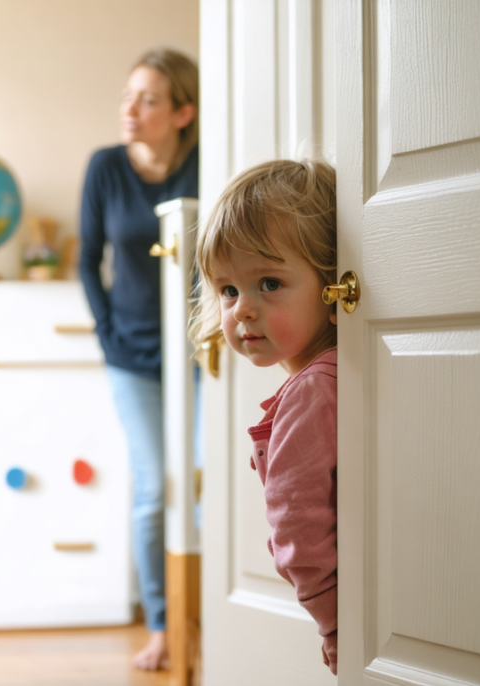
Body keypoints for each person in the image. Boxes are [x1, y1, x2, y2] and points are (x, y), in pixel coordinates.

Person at [190, 158, 339, 674]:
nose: (241, 310)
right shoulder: (338, 373)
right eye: (228, 290)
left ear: (333, 283)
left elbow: (298, 529)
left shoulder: (312, 391)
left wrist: (335, 622)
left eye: (269, 283)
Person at [78, 48, 199, 672]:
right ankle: (163, 625)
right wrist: (106, 336)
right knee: (156, 490)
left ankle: (210, 617)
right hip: (132, 358)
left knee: (210, 487)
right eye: (129, 95)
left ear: (183, 111)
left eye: (148, 98)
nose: (130, 108)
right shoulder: (105, 167)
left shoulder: (207, 164)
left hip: (204, 356)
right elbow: (87, 259)